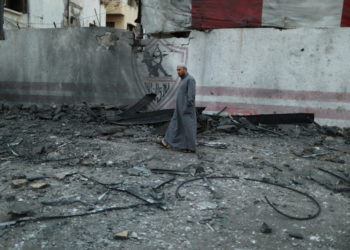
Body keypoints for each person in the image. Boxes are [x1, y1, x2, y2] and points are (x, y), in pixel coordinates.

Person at [157, 65, 197, 153]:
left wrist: (187, 108)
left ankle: (190, 148)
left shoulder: (190, 79)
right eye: (177, 70)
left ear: (185, 70)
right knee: (175, 124)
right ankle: (166, 141)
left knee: (188, 128)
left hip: (186, 109)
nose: (178, 72)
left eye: (179, 70)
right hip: (179, 108)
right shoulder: (183, 80)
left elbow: (191, 96)